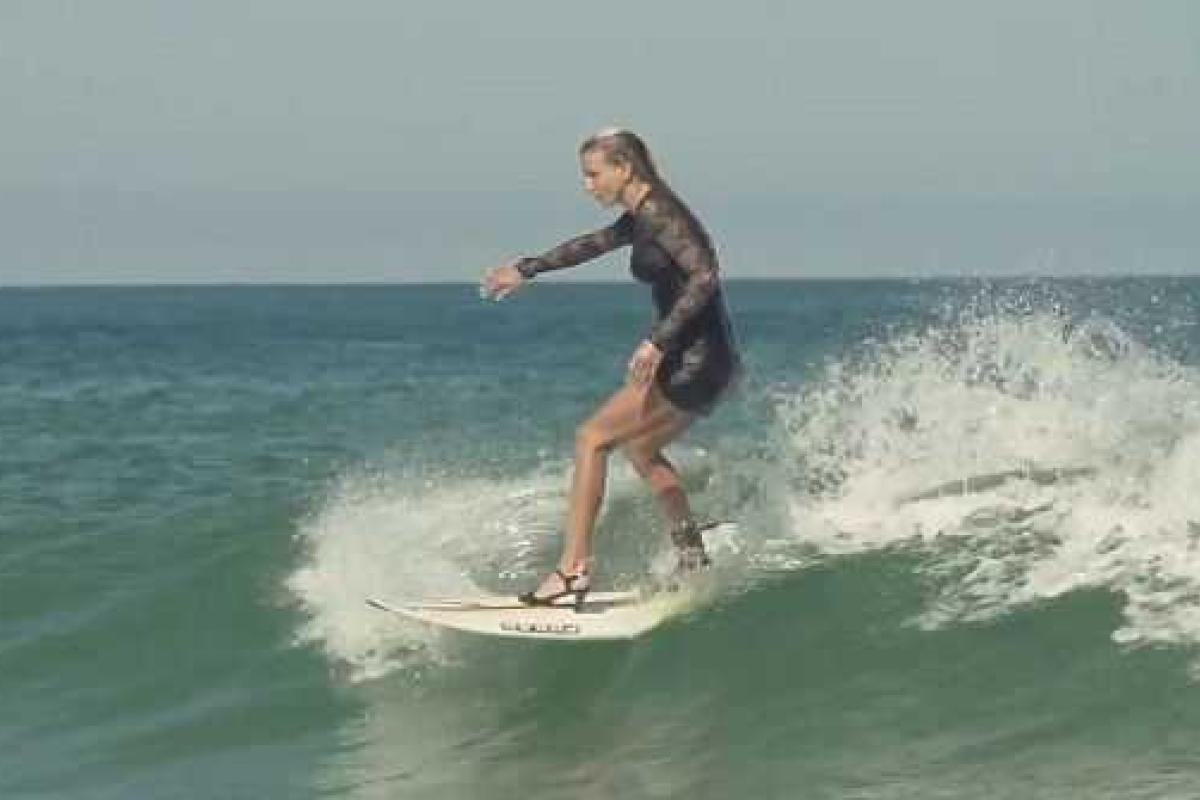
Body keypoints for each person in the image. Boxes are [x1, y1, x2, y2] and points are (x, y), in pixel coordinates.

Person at [480, 128, 741, 608]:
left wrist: (657, 342)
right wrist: (527, 268)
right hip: (701, 355)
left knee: (592, 438)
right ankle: (692, 554)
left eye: (593, 174)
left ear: (625, 168)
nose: (588, 184)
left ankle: (572, 570)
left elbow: (706, 274)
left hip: (697, 359)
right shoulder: (641, 216)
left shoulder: (661, 213)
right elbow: (592, 244)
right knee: (641, 450)